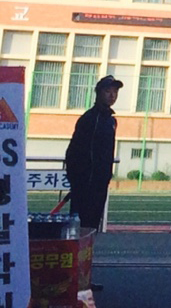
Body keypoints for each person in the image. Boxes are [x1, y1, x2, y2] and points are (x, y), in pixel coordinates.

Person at [65, 75, 122, 231]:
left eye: (115, 92)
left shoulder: (111, 121)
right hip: (85, 183)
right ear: (99, 93)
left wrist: (105, 176)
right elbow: (73, 151)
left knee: (92, 227)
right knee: (80, 225)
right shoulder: (89, 118)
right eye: (108, 91)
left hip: (100, 183)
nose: (112, 95)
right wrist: (77, 180)